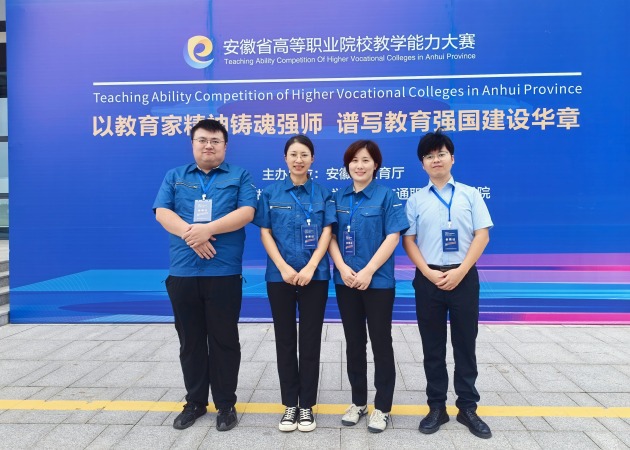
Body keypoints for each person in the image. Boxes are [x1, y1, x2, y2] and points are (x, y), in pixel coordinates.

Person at [153, 119, 256, 431]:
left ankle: (225, 404)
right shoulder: (175, 176)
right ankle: (195, 402)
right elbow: (162, 212)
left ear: (225, 145)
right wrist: (192, 235)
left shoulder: (239, 175)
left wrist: (207, 229)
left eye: (215, 140)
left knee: (225, 340)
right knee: (190, 341)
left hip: (224, 272)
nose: (208, 145)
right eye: (202, 140)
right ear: (193, 143)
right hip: (183, 271)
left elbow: (247, 212)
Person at [402, 130, 493, 439]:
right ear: (422, 164)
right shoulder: (415, 200)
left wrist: (461, 271)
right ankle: (437, 407)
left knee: (465, 344)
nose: (436, 160)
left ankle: (468, 408)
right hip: (428, 280)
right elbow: (409, 240)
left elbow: (482, 235)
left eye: (441, 154)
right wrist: (428, 272)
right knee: (432, 347)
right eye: (429, 156)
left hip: (464, 278)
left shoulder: (471, 195)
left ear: (452, 158)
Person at [253, 135, 336, 432]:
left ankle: (307, 406)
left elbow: (327, 231)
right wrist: (283, 267)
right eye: (293, 154)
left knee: (310, 340)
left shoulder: (324, 194)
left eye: (304, 155)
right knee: (285, 339)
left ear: (312, 159)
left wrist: (312, 266)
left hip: (316, 276)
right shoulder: (271, 193)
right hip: (280, 277)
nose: (298, 160)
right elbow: (265, 232)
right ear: (285, 159)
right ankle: (290, 403)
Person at [328, 140, 409, 433]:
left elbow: (393, 237)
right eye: (354, 160)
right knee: (354, 342)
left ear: (376, 165)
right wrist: (342, 267)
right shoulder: (338, 197)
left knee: (380, 341)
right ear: (347, 165)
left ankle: (382, 407)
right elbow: (331, 236)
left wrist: (368, 271)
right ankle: (358, 402)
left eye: (365, 160)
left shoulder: (386, 196)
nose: (359, 165)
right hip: (346, 280)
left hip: (378, 283)